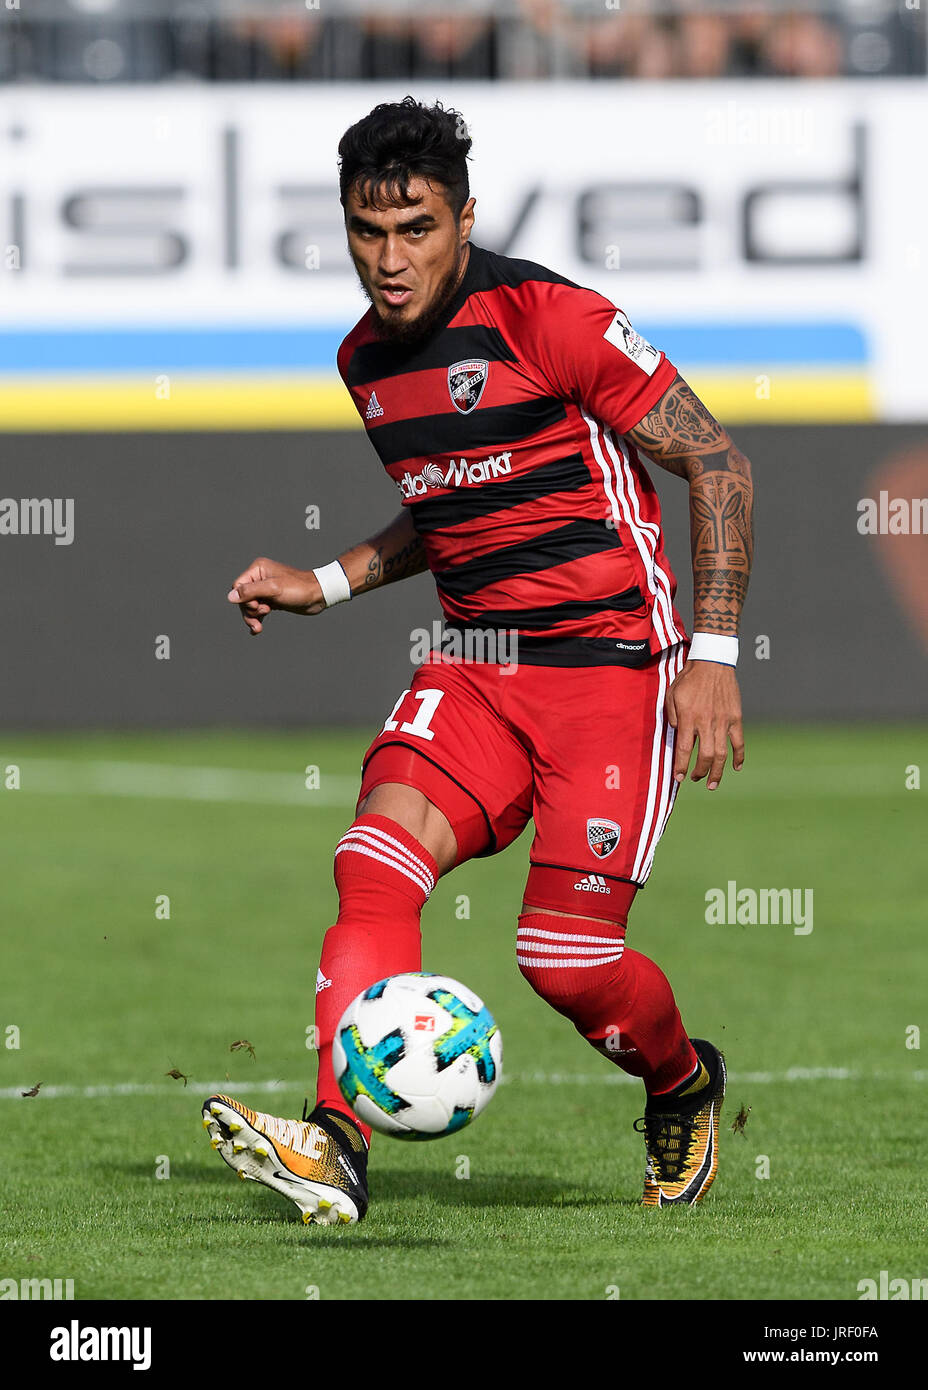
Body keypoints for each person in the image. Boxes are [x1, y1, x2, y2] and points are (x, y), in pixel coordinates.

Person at [202, 96, 754, 1224]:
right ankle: (336, 1143)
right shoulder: (363, 360)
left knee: (563, 962)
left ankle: (681, 1080)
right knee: (373, 860)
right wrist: (330, 580)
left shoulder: (554, 317)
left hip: (609, 669)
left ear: (464, 218)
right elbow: (448, 509)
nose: (389, 259)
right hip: (477, 663)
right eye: (367, 230)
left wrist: (715, 653)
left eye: (415, 228)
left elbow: (721, 464)